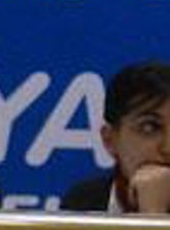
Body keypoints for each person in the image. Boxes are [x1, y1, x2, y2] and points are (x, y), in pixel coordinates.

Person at [59, 61, 170, 214]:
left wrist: (153, 211)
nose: (167, 148)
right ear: (110, 140)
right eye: (149, 127)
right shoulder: (81, 202)